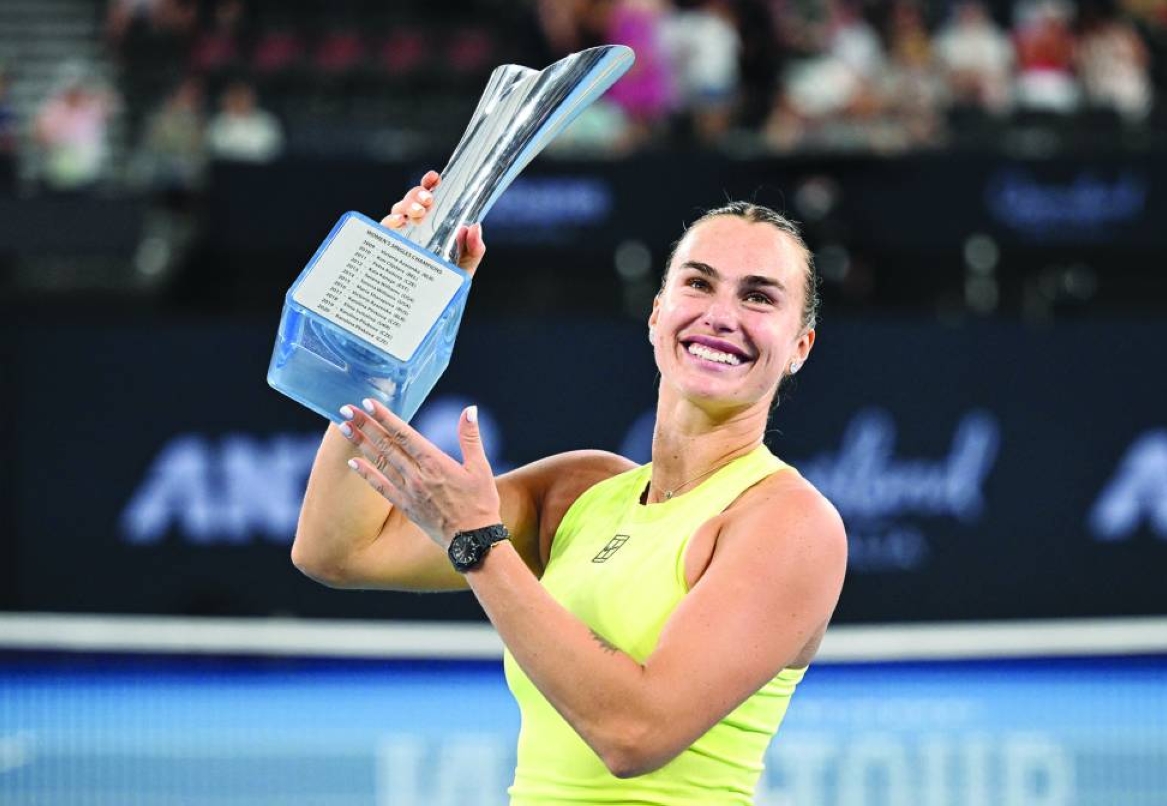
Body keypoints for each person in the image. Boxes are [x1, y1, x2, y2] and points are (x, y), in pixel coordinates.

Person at [291, 170, 848, 803]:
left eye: (759, 297)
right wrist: (400, 318)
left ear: (800, 346)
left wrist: (478, 544)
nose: (721, 316)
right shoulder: (579, 491)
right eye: (698, 283)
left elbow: (635, 734)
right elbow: (337, 548)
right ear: (657, 312)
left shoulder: (789, 521)